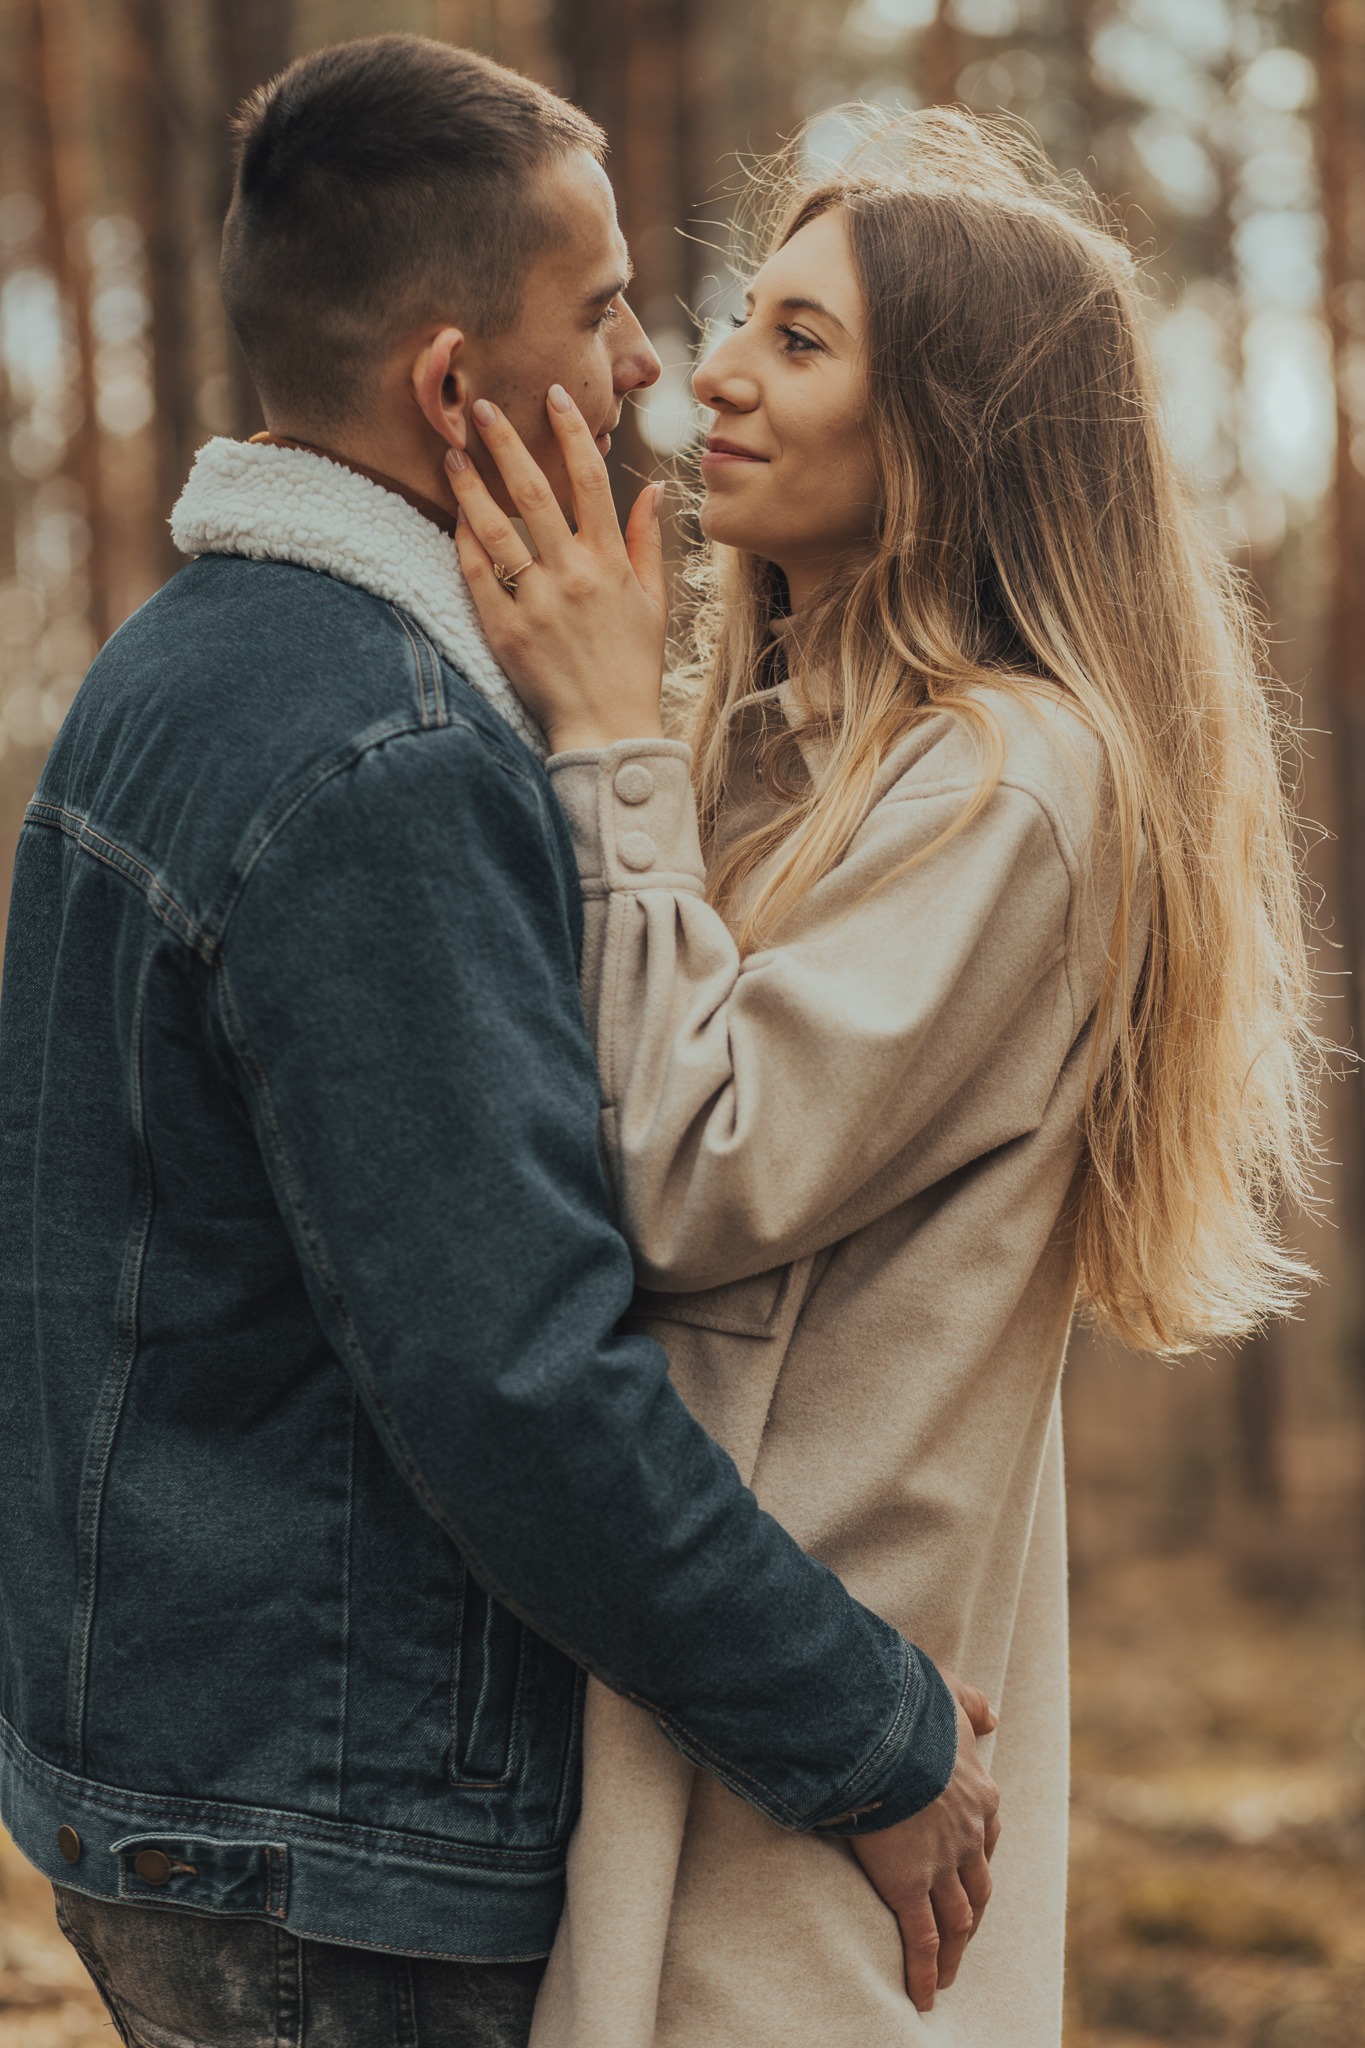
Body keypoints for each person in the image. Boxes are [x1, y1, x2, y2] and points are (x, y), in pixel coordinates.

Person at [0, 46, 999, 2048]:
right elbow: (513, 1375)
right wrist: (871, 1733)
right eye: (605, 304)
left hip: (177, 1777)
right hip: (328, 1832)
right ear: (457, 387)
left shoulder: (172, 665)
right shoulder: (387, 764)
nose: (650, 365)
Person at [446, 107, 1322, 2047]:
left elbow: (684, 1176)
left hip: (808, 1807)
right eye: (742, 317)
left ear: (947, 429)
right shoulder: (777, 752)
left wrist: (600, 745)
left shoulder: (1014, 780)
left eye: (801, 340)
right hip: (696, 1720)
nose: (714, 377)